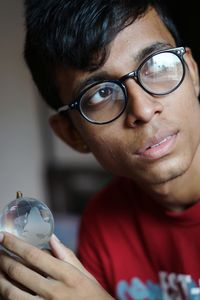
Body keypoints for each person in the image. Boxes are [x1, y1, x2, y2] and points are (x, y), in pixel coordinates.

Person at [0, 0, 200, 299]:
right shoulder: (101, 222)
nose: (143, 109)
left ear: (193, 73)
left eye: (158, 65)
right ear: (72, 134)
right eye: (101, 93)